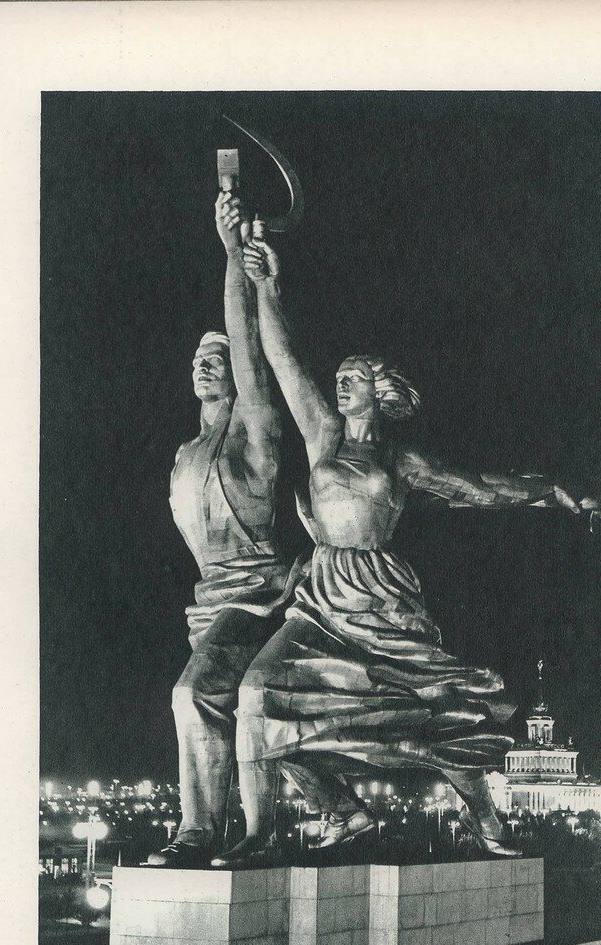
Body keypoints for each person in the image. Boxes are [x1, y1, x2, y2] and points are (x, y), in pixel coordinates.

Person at [217, 216, 601, 862]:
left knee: (434, 709)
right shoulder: (322, 435)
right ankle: (319, 816)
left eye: (352, 378)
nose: (338, 383)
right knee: (257, 692)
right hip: (319, 593)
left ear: (379, 391)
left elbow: (481, 487)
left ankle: (484, 813)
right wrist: (267, 287)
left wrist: (564, 494)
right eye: (337, 377)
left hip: (380, 597)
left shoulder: (402, 459)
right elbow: (283, 362)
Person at [150, 193, 366, 868]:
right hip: (211, 598)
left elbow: (246, 346)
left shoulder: (254, 432)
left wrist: (230, 260)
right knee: (249, 710)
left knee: (193, 692)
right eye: (197, 361)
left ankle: (200, 831)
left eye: (216, 359)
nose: (205, 365)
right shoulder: (189, 453)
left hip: (260, 593)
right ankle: (342, 808)